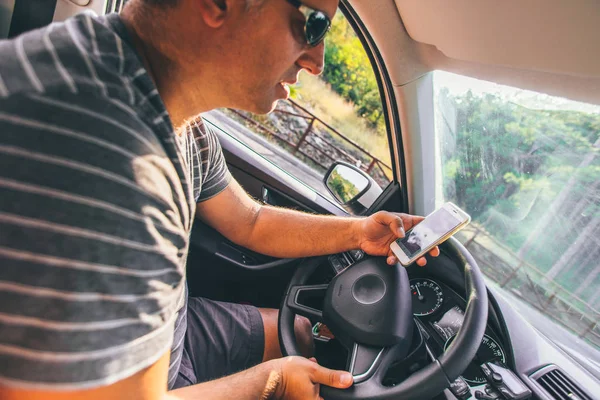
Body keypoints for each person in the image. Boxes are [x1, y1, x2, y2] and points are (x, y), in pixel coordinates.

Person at [0, 0, 439, 399]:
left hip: (178, 330)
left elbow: (251, 222)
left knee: (304, 332)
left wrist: (359, 232)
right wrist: (276, 383)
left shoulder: (173, 116)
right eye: (313, 25)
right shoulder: (113, 170)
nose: (318, 61)